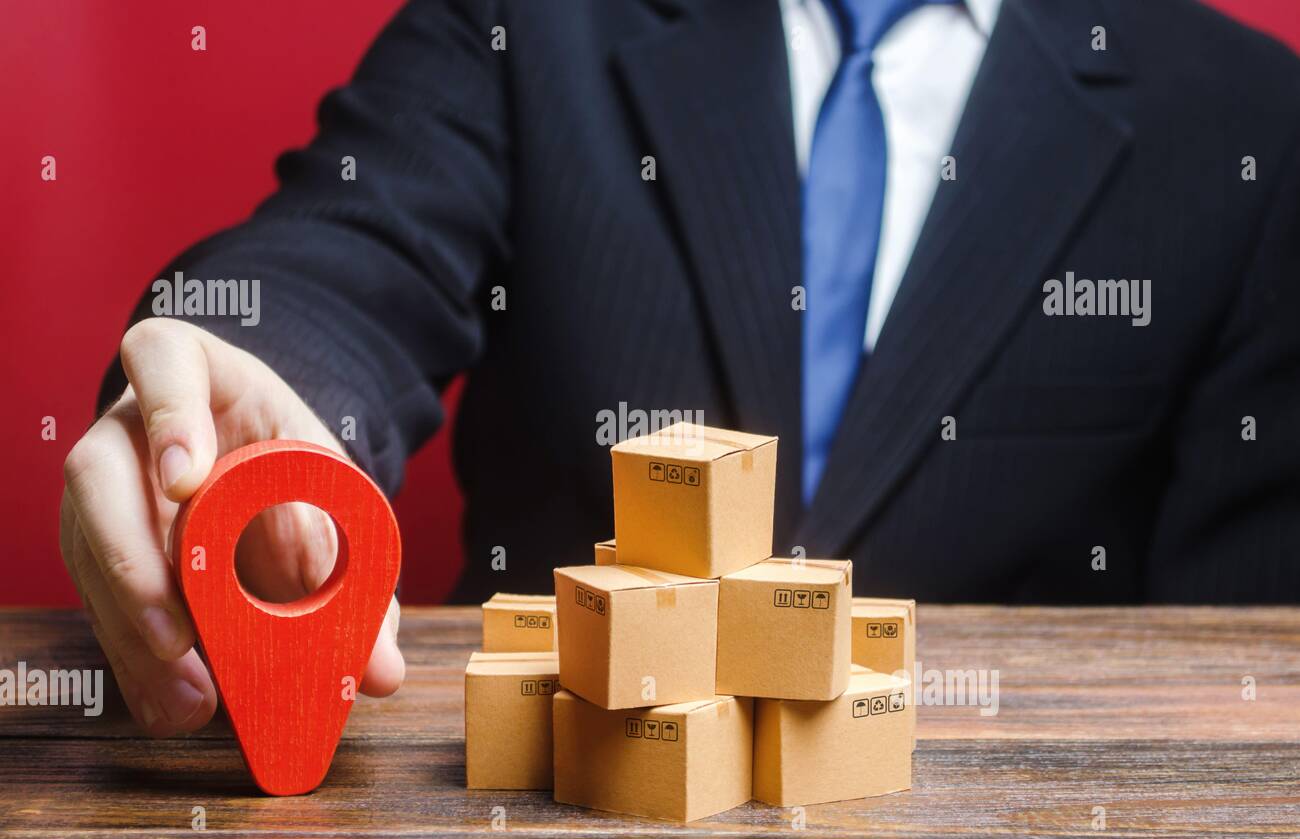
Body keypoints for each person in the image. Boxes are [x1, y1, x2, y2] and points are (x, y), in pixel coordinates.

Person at [60, 0, 1300, 736]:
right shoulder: (525, 23)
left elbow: (1247, 687)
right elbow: (343, 257)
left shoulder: (1250, 123)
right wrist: (238, 380)